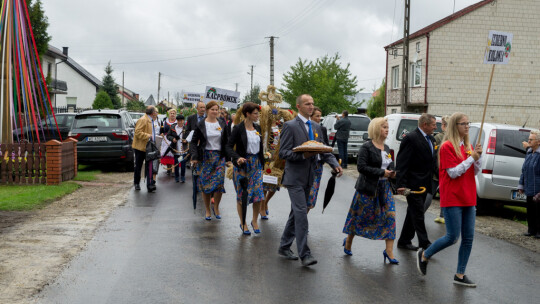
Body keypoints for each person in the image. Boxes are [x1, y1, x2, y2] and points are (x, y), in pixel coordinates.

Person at [417, 112, 482, 288]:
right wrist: (471, 159)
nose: (467, 126)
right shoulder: (447, 147)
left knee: (468, 238)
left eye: (468, 123)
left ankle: (460, 274)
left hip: (469, 196)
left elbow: (474, 171)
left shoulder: (467, 146)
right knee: (452, 237)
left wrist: (477, 158)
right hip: (453, 196)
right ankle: (425, 255)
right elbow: (453, 172)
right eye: (464, 124)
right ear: (455, 126)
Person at [277, 94, 342, 267]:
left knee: (296, 213)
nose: (311, 106)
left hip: (310, 178)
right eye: (307, 104)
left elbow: (323, 150)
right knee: (301, 214)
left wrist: (334, 164)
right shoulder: (290, 126)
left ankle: (284, 246)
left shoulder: (316, 126)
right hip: (294, 178)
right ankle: (305, 254)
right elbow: (283, 153)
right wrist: (303, 155)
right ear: (298, 106)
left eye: (312, 104)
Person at [342, 117, 398, 263]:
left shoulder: (386, 148)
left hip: (384, 188)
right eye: (384, 127)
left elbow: (390, 165)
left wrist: (393, 173)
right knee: (359, 218)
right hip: (368, 188)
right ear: (376, 129)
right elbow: (361, 167)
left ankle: (389, 251)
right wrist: (381, 172)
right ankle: (348, 242)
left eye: (387, 127)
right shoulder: (366, 147)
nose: (387, 129)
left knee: (390, 216)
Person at [396, 113, 437, 251]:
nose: (435, 127)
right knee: (418, 213)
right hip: (413, 184)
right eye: (433, 124)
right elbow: (402, 162)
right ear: (424, 124)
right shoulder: (411, 138)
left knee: (413, 212)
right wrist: (401, 184)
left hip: (426, 183)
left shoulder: (430, 139)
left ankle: (404, 240)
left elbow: (431, 162)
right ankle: (425, 243)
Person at [226, 102, 265, 235]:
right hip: (243, 165)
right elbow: (228, 147)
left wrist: (263, 162)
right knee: (242, 196)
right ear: (247, 114)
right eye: (255, 113)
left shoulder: (258, 127)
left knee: (258, 195)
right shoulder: (238, 128)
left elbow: (260, 148)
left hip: (256, 165)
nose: (257, 115)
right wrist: (237, 158)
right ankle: (243, 223)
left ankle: (254, 220)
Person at [190, 101, 229, 220]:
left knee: (219, 184)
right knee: (205, 184)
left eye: (217, 110)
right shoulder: (201, 124)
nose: (215, 111)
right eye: (212, 109)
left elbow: (227, 142)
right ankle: (207, 209)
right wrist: (194, 157)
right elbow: (193, 142)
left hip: (219, 157)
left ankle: (216, 207)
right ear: (207, 110)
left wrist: (229, 159)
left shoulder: (222, 123)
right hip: (205, 157)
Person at [307, 107, 331, 212]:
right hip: (306, 165)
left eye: (320, 116)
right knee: (303, 197)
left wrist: (333, 163)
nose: (319, 118)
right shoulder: (305, 128)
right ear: (310, 117)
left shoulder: (322, 129)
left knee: (311, 197)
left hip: (318, 165)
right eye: (317, 116)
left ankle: (303, 220)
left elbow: (326, 147)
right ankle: (298, 223)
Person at [518, 130, 540, 238]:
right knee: (530, 210)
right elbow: (524, 170)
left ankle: (539, 232)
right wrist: (521, 185)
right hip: (529, 187)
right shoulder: (529, 153)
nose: (528, 141)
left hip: (538, 189)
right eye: (529, 139)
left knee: (538, 211)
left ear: (538, 142)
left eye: (531, 139)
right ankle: (531, 230)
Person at [260, 120, 282, 219]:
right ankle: (262, 207)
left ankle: (266, 202)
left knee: (275, 183)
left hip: (277, 156)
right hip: (266, 155)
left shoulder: (280, 126)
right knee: (265, 182)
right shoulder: (264, 126)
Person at [132, 106, 158, 192]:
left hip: (148, 147)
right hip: (140, 147)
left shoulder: (151, 119)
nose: (156, 113)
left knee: (149, 166)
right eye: (155, 111)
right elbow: (137, 132)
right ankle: (136, 183)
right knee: (138, 166)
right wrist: (148, 136)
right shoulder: (143, 119)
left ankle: (149, 185)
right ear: (152, 112)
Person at [433, 115, 449, 224]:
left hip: (437, 169)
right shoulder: (456, 138)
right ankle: (443, 215)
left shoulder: (438, 137)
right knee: (445, 193)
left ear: (443, 125)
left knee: (430, 193)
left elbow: (433, 154)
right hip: (448, 170)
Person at [165, 114, 186, 183]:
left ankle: (182, 177)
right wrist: (173, 139)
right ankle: (177, 177)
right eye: (178, 121)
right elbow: (168, 136)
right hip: (176, 149)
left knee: (182, 164)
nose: (180, 122)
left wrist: (186, 140)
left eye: (181, 120)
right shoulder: (173, 127)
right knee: (176, 164)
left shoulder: (186, 128)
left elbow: (190, 136)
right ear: (177, 121)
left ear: (183, 121)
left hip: (183, 150)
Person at [161, 109, 178, 175]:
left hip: (174, 139)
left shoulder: (177, 122)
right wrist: (161, 133)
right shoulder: (165, 121)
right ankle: (169, 168)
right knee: (167, 153)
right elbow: (162, 130)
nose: (172, 114)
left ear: (175, 114)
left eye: (174, 113)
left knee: (173, 153)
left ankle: (173, 170)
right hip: (166, 139)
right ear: (169, 114)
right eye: (171, 113)